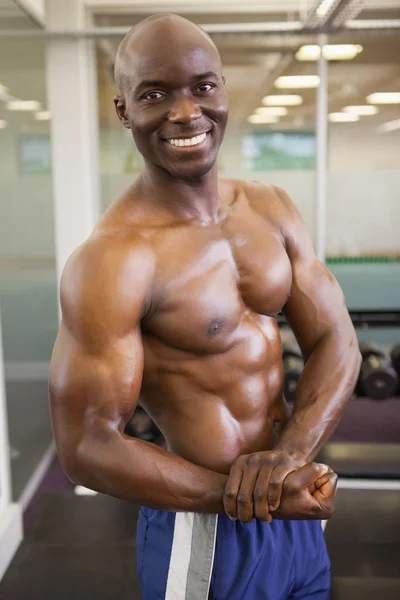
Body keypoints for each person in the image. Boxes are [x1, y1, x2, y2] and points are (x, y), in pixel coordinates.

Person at [48, 13, 361, 600]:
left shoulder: (270, 208)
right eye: (154, 94)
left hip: (294, 510)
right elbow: (86, 443)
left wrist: (289, 457)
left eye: (202, 87)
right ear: (124, 111)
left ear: (222, 90)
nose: (186, 112)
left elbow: (335, 340)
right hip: (206, 530)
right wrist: (248, 493)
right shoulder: (114, 259)